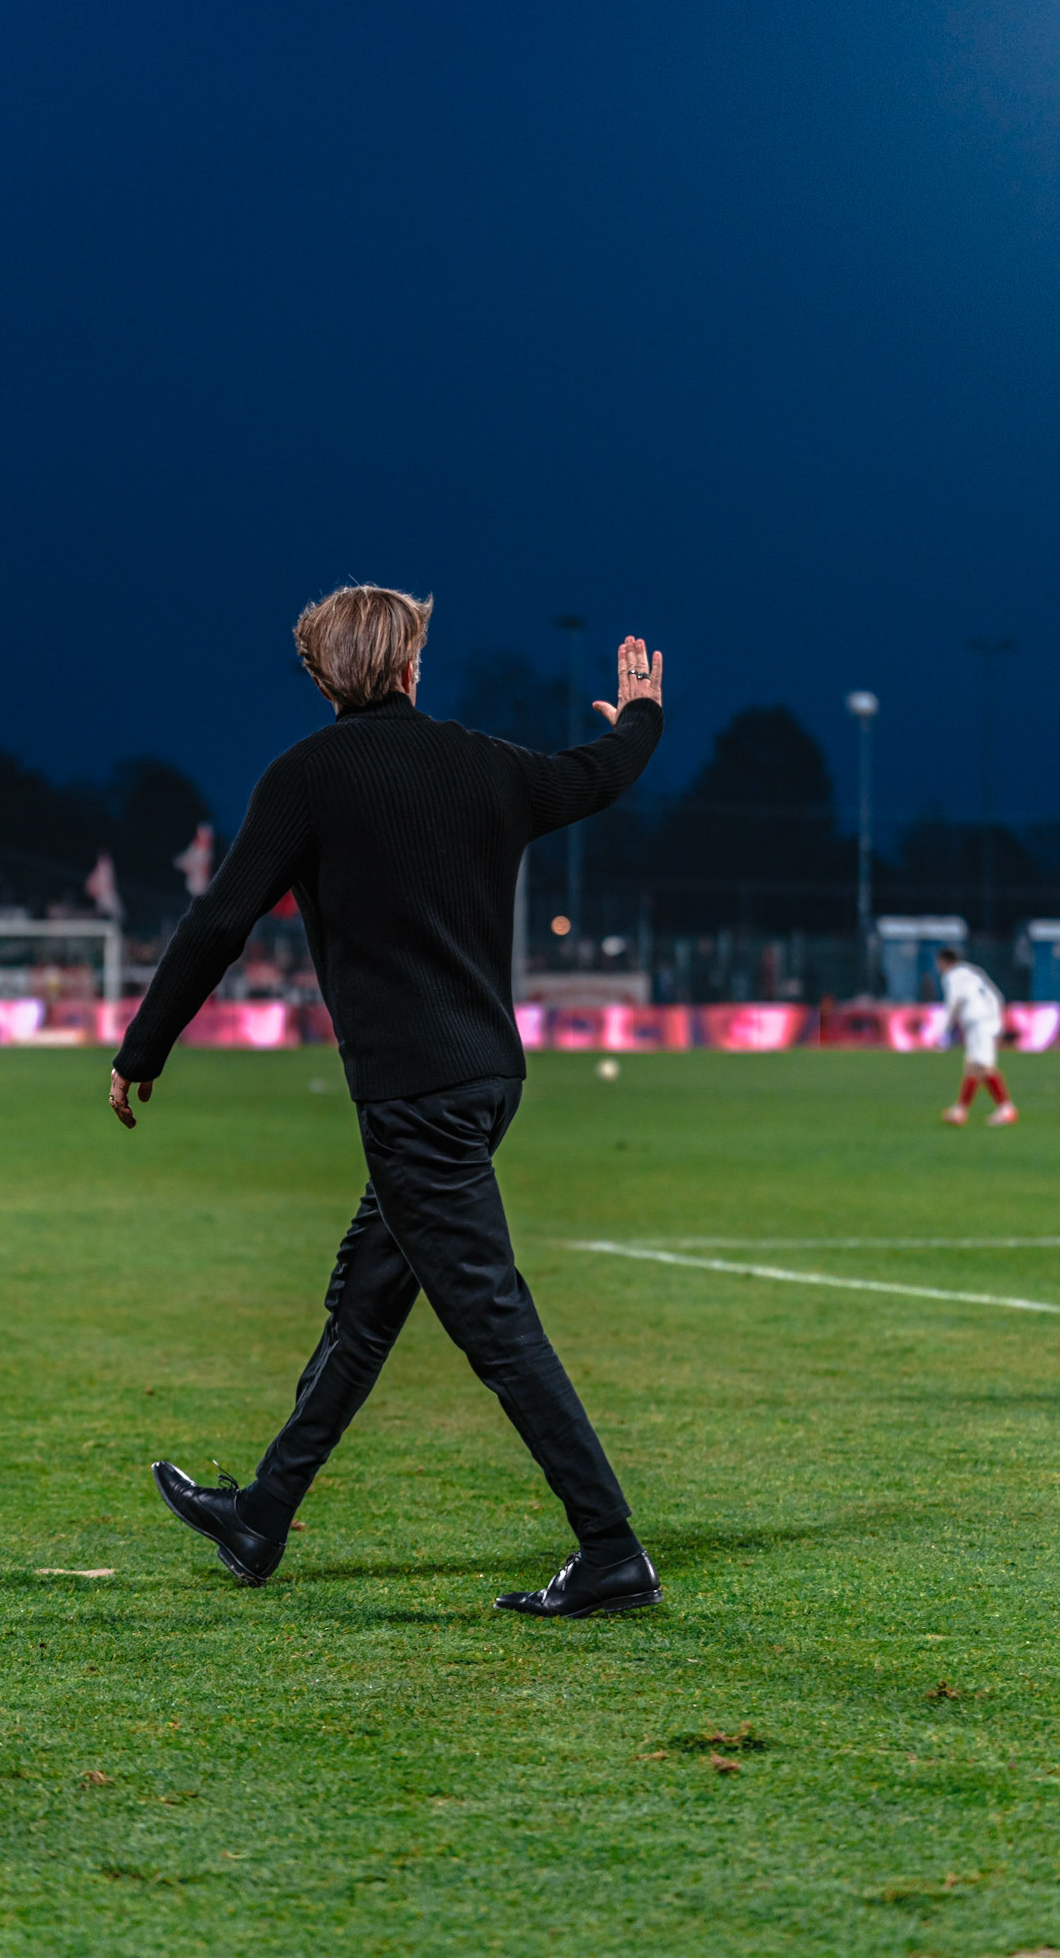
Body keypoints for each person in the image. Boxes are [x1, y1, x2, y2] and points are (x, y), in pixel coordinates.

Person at [108, 585, 665, 1618]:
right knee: (366, 1302)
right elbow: (597, 776)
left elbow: (221, 917)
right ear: (411, 666)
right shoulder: (483, 761)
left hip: (416, 1099)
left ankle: (611, 1547)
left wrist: (145, 1043)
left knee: (494, 1322)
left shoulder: (307, 776)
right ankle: (263, 1511)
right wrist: (641, 715)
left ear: (325, 678)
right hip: (486, 1080)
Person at [936, 946, 1018, 1126]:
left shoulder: (951, 976)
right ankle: (961, 1110)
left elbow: (953, 1001)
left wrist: (944, 1030)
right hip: (986, 1020)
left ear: (942, 961)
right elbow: (997, 996)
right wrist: (997, 1022)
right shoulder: (973, 972)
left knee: (982, 1066)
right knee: (974, 1065)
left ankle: (1006, 1109)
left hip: (977, 1023)